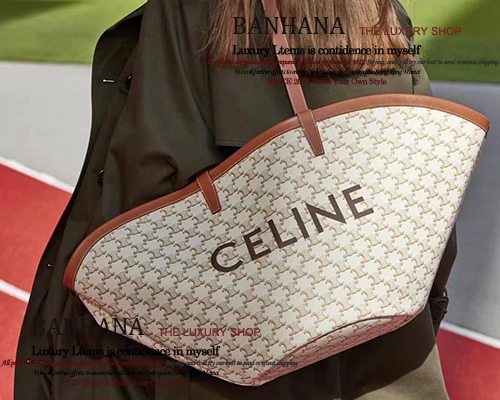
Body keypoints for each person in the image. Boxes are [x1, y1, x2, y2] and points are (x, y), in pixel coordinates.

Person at [15, 0, 455, 398]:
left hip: (229, 359)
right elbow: (426, 199)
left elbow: (141, 190)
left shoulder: (189, 13)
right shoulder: (378, 12)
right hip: (381, 361)